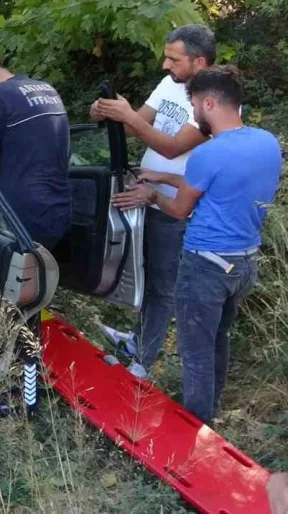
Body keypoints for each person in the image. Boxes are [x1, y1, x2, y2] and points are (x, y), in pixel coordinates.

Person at [120, 66, 281, 424]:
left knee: (195, 353)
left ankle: (196, 430)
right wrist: (164, 176)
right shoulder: (266, 142)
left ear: (208, 102)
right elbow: (221, 185)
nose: (193, 112)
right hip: (243, 264)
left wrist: (151, 195)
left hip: (205, 267)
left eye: (193, 104)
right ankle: (213, 411)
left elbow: (179, 210)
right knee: (218, 339)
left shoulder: (208, 153)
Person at [92, 24, 216, 379]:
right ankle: (139, 339)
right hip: (145, 193)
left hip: (175, 204)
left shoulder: (211, 103)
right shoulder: (171, 84)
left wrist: (127, 114)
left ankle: (142, 363)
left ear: (200, 62)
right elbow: (139, 125)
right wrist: (110, 113)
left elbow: (171, 146)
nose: (165, 65)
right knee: (141, 270)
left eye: (173, 59)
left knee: (163, 283)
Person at [0, 49, 72, 250]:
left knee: (15, 279)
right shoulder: (46, 89)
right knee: (39, 275)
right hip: (58, 207)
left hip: (19, 217)